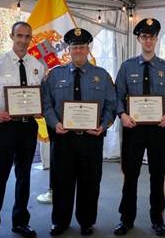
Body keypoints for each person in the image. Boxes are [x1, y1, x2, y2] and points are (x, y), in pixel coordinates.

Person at [0, 21, 46, 238]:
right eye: (19, 36)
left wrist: (38, 108)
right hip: (5, 127)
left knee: (24, 177)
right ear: (11, 36)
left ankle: (20, 222)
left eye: (27, 37)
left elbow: (39, 94)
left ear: (31, 39)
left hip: (28, 128)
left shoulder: (37, 66)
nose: (23, 40)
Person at [42, 27, 116, 236]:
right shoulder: (55, 75)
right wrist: (54, 122)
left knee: (90, 182)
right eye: (74, 47)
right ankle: (60, 221)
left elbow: (111, 104)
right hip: (63, 139)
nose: (78, 51)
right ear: (68, 48)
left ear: (88, 48)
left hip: (91, 140)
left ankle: (86, 221)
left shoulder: (101, 75)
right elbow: (47, 102)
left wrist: (104, 125)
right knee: (62, 181)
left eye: (82, 47)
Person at [114, 17, 165, 236]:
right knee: (130, 174)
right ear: (138, 38)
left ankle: (157, 219)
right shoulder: (127, 67)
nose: (148, 40)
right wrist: (122, 114)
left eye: (152, 36)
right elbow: (117, 96)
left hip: (159, 130)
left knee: (158, 175)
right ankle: (126, 218)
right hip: (133, 128)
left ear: (156, 38)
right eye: (144, 36)